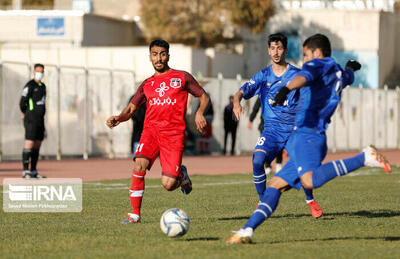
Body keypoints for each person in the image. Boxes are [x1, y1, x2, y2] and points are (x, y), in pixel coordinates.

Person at [227, 34, 391, 244]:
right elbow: (348, 77)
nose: (304, 59)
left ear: (316, 52)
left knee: (309, 179)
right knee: (275, 185)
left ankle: (365, 157)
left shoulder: (317, 65)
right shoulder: (338, 72)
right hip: (302, 136)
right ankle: (246, 231)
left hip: (308, 135)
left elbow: (304, 77)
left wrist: (286, 88)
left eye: (305, 54)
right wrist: (350, 68)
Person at [106, 39, 210, 224]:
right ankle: (135, 215)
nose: (159, 58)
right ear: (150, 57)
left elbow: (203, 96)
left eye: (162, 54)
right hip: (151, 132)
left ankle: (181, 175)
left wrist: (199, 112)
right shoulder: (147, 84)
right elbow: (130, 109)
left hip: (173, 134)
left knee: (168, 185)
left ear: (168, 56)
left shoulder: (182, 77)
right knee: (139, 165)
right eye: (155, 54)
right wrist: (118, 118)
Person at [233, 33, 322, 219]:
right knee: (258, 160)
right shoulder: (263, 75)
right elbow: (242, 90)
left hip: (293, 131)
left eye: (279, 48)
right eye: (272, 48)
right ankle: (262, 200)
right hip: (271, 130)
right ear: (268, 50)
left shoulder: (296, 74)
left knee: (302, 167)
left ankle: (310, 200)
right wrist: (236, 102)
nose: (276, 52)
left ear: (286, 50)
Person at [19, 63, 47, 179]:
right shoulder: (29, 85)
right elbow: (22, 101)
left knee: (37, 144)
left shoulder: (43, 86)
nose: (40, 73)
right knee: (29, 143)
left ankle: (33, 170)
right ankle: (25, 171)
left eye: (42, 71)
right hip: (31, 119)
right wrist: (25, 113)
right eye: (38, 71)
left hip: (40, 120)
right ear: (34, 72)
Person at [248, 98, 284, 173]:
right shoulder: (263, 94)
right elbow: (256, 108)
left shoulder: (279, 92)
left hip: (277, 124)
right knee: (265, 146)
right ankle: (267, 166)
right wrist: (251, 120)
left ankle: (278, 164)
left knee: (279, 144)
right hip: (265, 125)